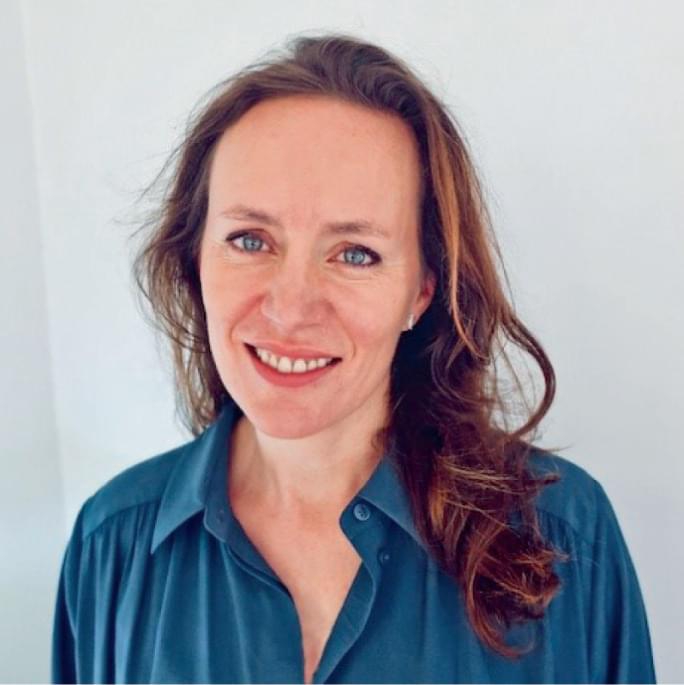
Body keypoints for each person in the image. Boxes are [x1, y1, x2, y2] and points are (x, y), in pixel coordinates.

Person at [51, 32, 656, 684]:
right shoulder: (109, 547)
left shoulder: (563, 540)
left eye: (356, 253)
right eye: (250, 239)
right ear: (195, 259)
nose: (290, 309)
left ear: (421, 290)